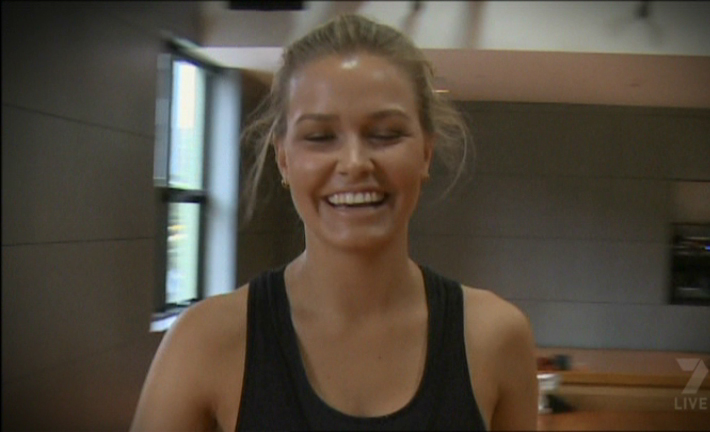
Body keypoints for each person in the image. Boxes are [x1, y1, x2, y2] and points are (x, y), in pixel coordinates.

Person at [131, 13, 538, 432]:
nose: (355, 163)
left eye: (386, 133)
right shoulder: (205, 341)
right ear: (283, 159)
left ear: (426, 154)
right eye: (320, 137)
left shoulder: (494, 337)